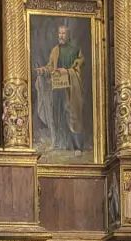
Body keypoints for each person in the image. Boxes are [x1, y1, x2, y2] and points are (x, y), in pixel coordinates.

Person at [34, 23, 86, 155]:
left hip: (70, 87)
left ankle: (76, 147)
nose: (61, 36)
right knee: (56, 113)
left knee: (72, 114)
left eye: (63, 33)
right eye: (59, 33)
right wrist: (43, 70)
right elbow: (51, 67)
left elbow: (78, 68)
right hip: (57, 88)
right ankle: (57, 142)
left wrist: (67, 71)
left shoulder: (75, 50)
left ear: (68, 35)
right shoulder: (55, 50)